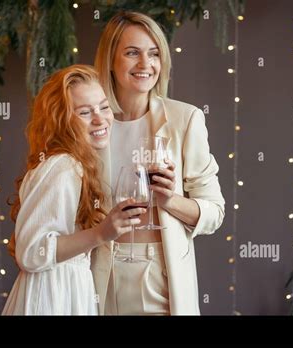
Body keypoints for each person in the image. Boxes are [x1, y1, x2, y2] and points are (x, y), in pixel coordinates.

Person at [92, 11, 226, 315]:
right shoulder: (90, 124)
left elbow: (215, 212)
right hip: (96, 271)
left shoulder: (184, 119)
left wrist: (170, 200)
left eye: (153, 54)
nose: (145, 64)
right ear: (110, 60)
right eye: (131, 53)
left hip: (158, 276)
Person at [2, 65, 146, 315]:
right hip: (52, 296)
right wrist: (102, 233)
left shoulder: (71, 164)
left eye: (103, 107)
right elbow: (30, 253)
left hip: (66, 290)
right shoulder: (64, 166)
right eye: (84, 112)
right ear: (62, 120)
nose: (100, 119)